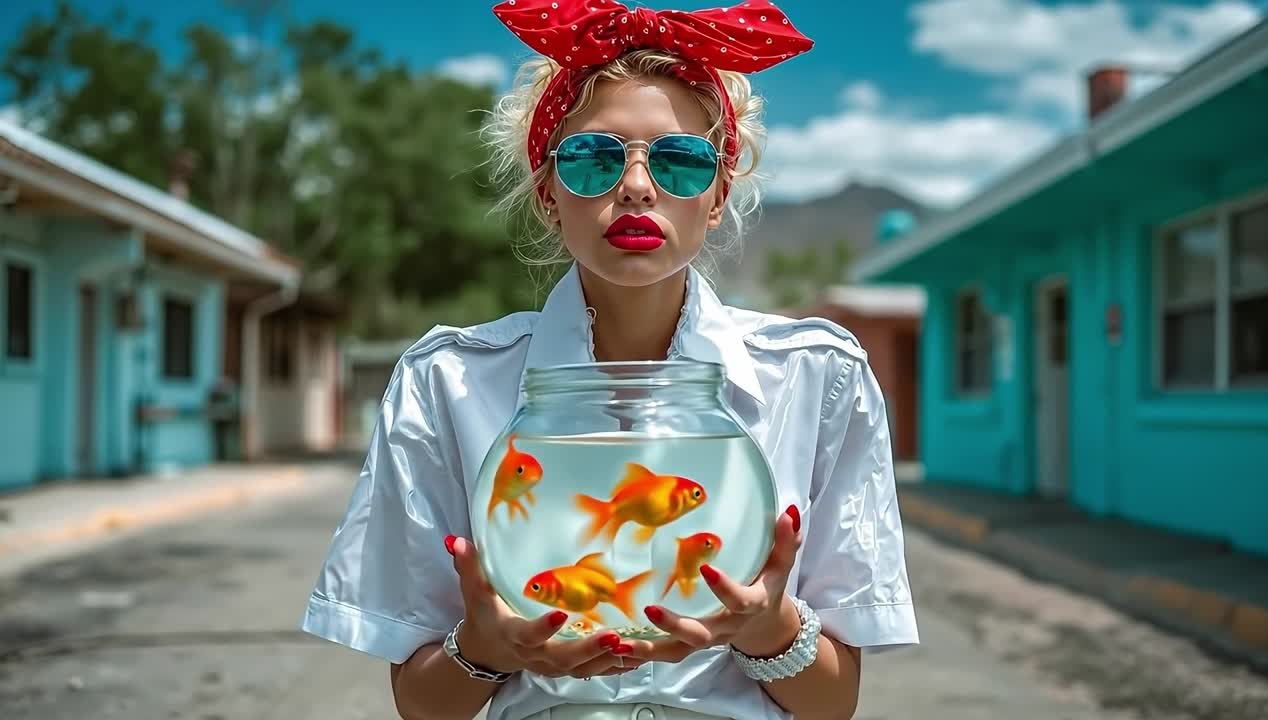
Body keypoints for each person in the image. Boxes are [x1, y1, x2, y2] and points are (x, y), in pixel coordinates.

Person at [300, 2, 919, 719]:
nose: (635, 185)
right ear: (547, 195)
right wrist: (488, 648)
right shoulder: (447, 382)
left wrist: (769, 628)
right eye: (593, 158)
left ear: (717, 195)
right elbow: (422, 704)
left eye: (681, 161)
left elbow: (834, 703)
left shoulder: (819, 378)